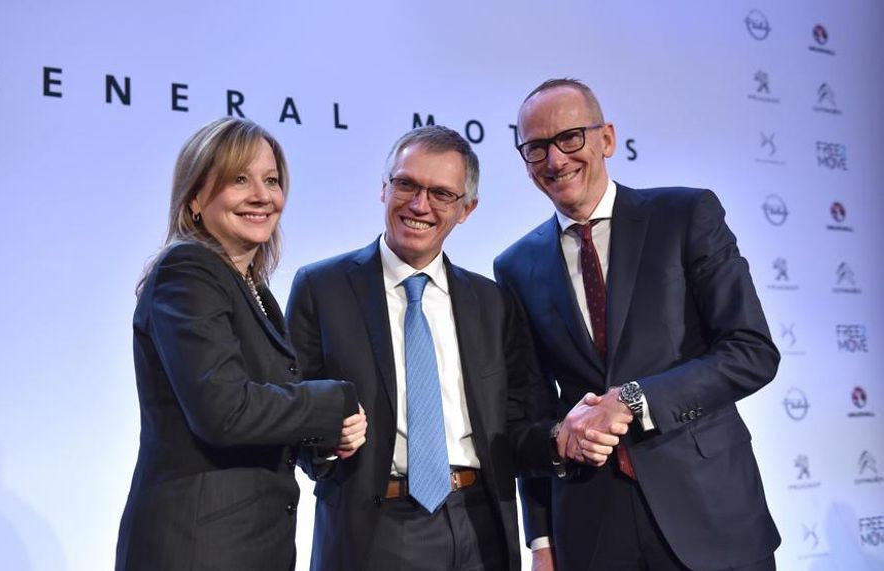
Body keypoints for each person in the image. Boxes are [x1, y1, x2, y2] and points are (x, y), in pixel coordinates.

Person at [494, 78, 781, 570]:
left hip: (709, 509)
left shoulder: (685, 214)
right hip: (590, 522)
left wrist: (633, 400)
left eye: (570, 138)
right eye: (536, 147)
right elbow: (532, 408)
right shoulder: (516, 266)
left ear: (606, 138)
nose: (556, 160)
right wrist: (540, 540)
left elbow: (750, 351)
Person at [287, 125, 553, 570]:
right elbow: (293, 407)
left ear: (467, 209)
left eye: (441, 194)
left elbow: (520, 418)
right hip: (376, 525)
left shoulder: (493, 302)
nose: (419, 205)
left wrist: (563, 444)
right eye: (406, 184)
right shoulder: (322, 287)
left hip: (481, 521)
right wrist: (328, 445)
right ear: (383, 188)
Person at [115, 117, 367, 570]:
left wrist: (325, 441)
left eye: (271, 180)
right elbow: (224, 412)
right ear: (195, 198)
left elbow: (263, 413)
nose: (262, 196)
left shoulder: (253, 289)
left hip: (246, 546)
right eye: (238, 180)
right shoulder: (187, 271)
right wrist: (336, 401)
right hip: (199, 549)